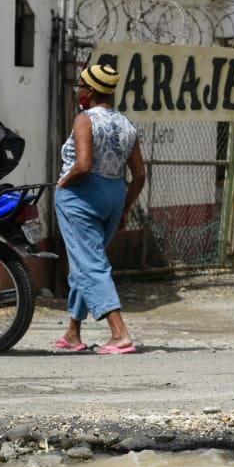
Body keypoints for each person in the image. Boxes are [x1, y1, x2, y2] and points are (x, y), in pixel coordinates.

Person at [52, 62, 147, 355]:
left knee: (90, 264)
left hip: (81, 197)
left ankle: (119, 334)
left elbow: (83, 164)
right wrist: (126, 207)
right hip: (114, 196)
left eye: (80, 86)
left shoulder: (85, 119)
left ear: (90, 91)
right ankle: (73, 332)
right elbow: (140, 174)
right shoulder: (126, 123)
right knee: (87, 261)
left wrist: (62, 184)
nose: (78, 91)